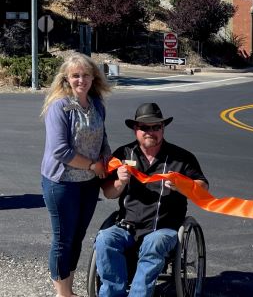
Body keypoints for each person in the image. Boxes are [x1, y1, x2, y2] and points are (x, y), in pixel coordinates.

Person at [94, 103, 209, 297]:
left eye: (156, 127)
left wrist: (183, 184)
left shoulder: (181, 157)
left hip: (164, 228)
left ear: (163, 129)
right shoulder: (123, 154)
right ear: (135, 129)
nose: (150, 132)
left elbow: (203, 187)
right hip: (127, 226)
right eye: (144, 127)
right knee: (105, 239)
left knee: (153, 243)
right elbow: (108, 192)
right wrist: (121, 182)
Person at [40, 53, 112, 297]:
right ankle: (62, 292)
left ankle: (68, 289)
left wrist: (105, 158)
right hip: (62, 183)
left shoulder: (96, 105)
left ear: (94, 77)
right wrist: (93, 165)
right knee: (63, 239)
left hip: (88, 185)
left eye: (85, 75)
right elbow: (60, 150)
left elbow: (103, 138)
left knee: (78, 236)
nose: (81, 80)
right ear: (67, 79)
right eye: (75, 75)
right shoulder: (60, 106)